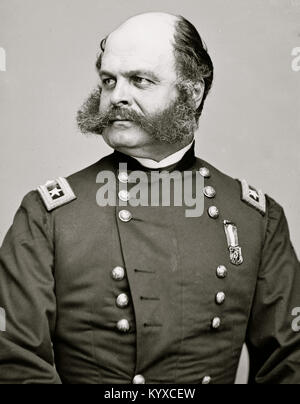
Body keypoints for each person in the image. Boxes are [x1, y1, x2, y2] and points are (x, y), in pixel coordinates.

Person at [0, 12, 299, 384]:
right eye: (109, 81)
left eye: (139, 80)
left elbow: (291, 362)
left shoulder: (256, 219)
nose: (116, 97)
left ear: (191, 92)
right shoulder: (48, 215)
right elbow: (14, 358)